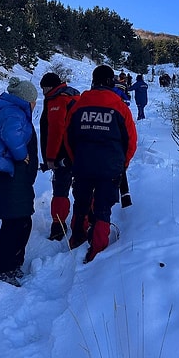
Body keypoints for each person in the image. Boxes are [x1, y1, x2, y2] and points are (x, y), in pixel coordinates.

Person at [65, 65, 137, 263]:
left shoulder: (78, 106)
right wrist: (123, 164)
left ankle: (76, 238)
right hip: (110, 167)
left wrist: (75, 160)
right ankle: (97, 248)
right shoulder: (120, 107)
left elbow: (68, 138)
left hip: (83, 165)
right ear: (110, 82)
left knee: (81, 204)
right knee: (103, 207)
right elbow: (131, 141)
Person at [0, 77, 39, 287]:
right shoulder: (15, 112)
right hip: (12, 174)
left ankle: (12, 265)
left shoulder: (11, 110)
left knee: (21, 220)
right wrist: (21, 154)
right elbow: (10, 135)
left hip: (14, 175)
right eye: (34, 101)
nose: (35, 105)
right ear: (25, 100)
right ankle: (6, 269)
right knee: (14, 223)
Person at [39, 72, 80, 241]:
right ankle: (83, 222)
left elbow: (56, 131)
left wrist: (50, 158)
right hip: (80, 152)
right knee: (82, 189)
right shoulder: (73, 96)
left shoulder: (57, 101)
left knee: (61, 190)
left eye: (43, 89)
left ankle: (58, 226)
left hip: (63, 155)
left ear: (48, 87)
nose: (42, 92)